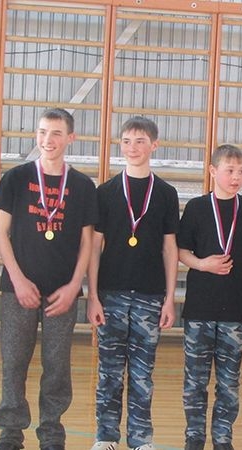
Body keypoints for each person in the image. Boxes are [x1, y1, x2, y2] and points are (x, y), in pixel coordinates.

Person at [0, 108, 98, 450]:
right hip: (17, 290)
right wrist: (18, 280)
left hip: (61, 294)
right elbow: (0, 233)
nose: (47, 140)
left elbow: (87, 242)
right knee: (13, 362)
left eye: (55, 133)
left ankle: (52, 432)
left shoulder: (82, 186)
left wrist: (74, 286)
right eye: (42, 132)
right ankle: (10, 432)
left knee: (57, 366)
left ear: (71, 138)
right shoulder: (16, 178)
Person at [88, 116, 180, 450]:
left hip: (150, 295)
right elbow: (94, 247)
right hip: (110, 294)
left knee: (142, 373)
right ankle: (106, 436)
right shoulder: (106, 192)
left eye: (140, 141)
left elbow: (170, 248)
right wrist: (92, 295)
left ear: (154, 145)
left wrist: (169, 298)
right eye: (126, 141)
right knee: (109, 372)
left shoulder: (166, 193)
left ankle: (141, 438)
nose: (132, 148)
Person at [177, 144, 242, 450]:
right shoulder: (197, 207)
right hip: (199, 309)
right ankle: (194, 438)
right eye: (230, 170)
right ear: (213, 171)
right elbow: (181, 250)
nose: (236, 177)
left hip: (235, 310)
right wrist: (202, 264)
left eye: (241, 171)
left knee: (229, 382)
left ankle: (223, 439)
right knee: (195, 381)